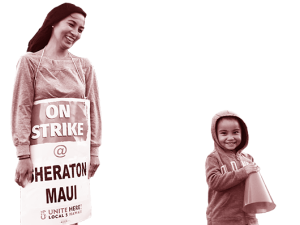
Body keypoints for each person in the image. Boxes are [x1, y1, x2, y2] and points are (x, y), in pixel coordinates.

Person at [11, 2, 102, 225]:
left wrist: (94, 151)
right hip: (41, 159)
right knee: (42, 215)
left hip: (74, 158)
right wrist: (23, 155)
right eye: (71, 25)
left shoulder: (84, 66)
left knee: (71, 213)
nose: (75, 33)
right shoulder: (29, 62)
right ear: (53, 22)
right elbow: (21, 108)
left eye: (80, 30)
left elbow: (93, 110)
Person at [205, 109, 260, 225]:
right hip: (223, 219)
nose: (230, 137)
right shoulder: (213, 158)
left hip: (249, 218)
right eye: (224, 133)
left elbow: (254, 188)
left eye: (235, 132)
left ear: (243, 133)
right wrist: (243, 172)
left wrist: (256, 174)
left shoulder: (248, 158)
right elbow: (214, 182)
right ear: (215, 135)